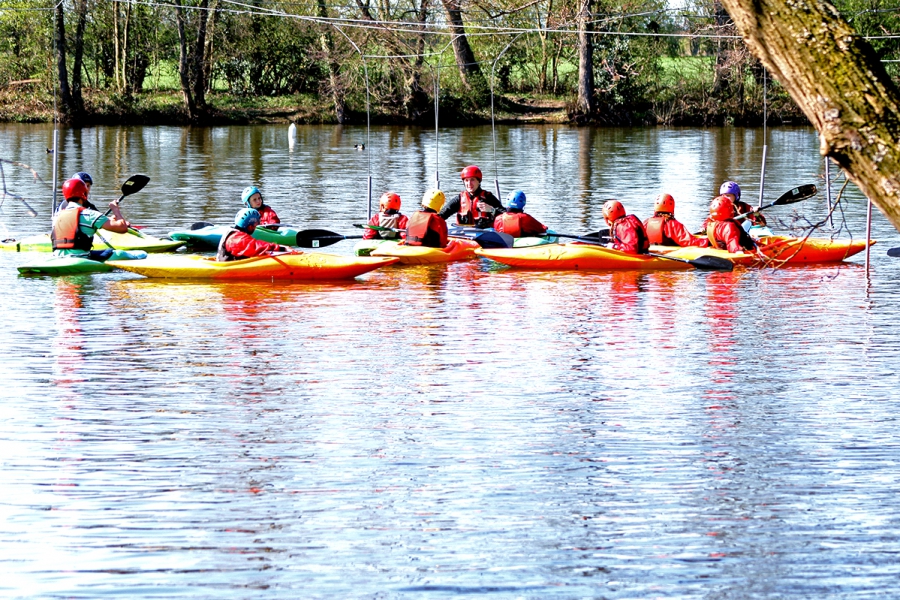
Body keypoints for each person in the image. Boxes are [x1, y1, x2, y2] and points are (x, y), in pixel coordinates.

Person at [51, 177, 130, 262]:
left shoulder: (56, 216)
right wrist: (115, 209)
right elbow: (122, 227)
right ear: (84, 193)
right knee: (121, 253)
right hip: (81, 259)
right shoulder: (90, 214)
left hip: (57, 258)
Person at [438, 165, 505, 229]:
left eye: (472, 180)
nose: (469, 184)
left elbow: (505, 215)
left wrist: (491, 210)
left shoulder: (488, 197)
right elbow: (442, 214)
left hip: (484, 236)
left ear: (478, 181)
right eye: (466, 180)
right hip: (464, 235)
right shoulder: (460, 198)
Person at [217, 208, 289, 261]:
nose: (255, 229)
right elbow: (255, 247)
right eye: (255, 226)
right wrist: (281, 248)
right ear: (250, 227)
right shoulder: (236, 239)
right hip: (228, 271)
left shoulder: (236, 235)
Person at [643, 193, 709, 247]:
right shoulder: (673, 225)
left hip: (650, 253)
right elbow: (688, 241)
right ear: (672, 207)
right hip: (668, 257)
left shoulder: (646, 222)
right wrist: (707, 242)